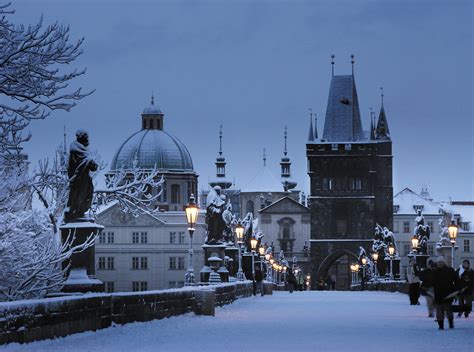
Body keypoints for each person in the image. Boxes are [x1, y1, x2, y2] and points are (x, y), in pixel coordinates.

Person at [433, 256, 457, 330]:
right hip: (438, 294)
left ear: (444, 263)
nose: (439, 264)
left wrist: (455, 290)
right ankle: (441, 326)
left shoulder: (450, 270)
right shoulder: (435, 272)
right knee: (439, 312)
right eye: (438, 262)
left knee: (449, 311)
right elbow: (432, 282)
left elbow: (456, 280)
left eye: (441, 262)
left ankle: (451, 323)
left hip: (448, 294)